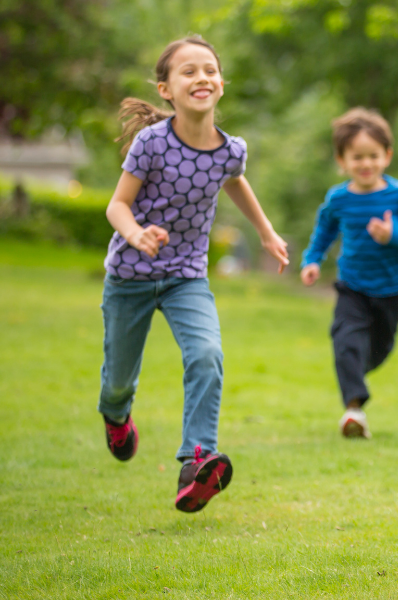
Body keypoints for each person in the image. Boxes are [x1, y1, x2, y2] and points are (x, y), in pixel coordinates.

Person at [99, 35, 290, 513]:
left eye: (209, 69)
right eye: (188, 71)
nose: (201, 77)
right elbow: (117, 205)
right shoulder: (152, 143)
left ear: (220, 83)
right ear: (166, 89)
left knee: (206, 353)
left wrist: (266, 232)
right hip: (130, 275)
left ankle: (197, 457)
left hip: (187, 275)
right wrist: (137, 233)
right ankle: (116, 414)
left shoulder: (231, 150)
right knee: (119, 380)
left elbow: (235, 182)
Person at [300, 109, 398, 438]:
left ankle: (355, 376)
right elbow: (323, 233)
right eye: (356, 157)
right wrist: (312, 260)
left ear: (387, 156)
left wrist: (393, 236)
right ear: (342, 160)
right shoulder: (338, 198)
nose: (365, 164)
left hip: (391, 289)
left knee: (376, 351)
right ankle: (354, 411)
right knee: (345, 341)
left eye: (373, 156)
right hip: (353, 286)